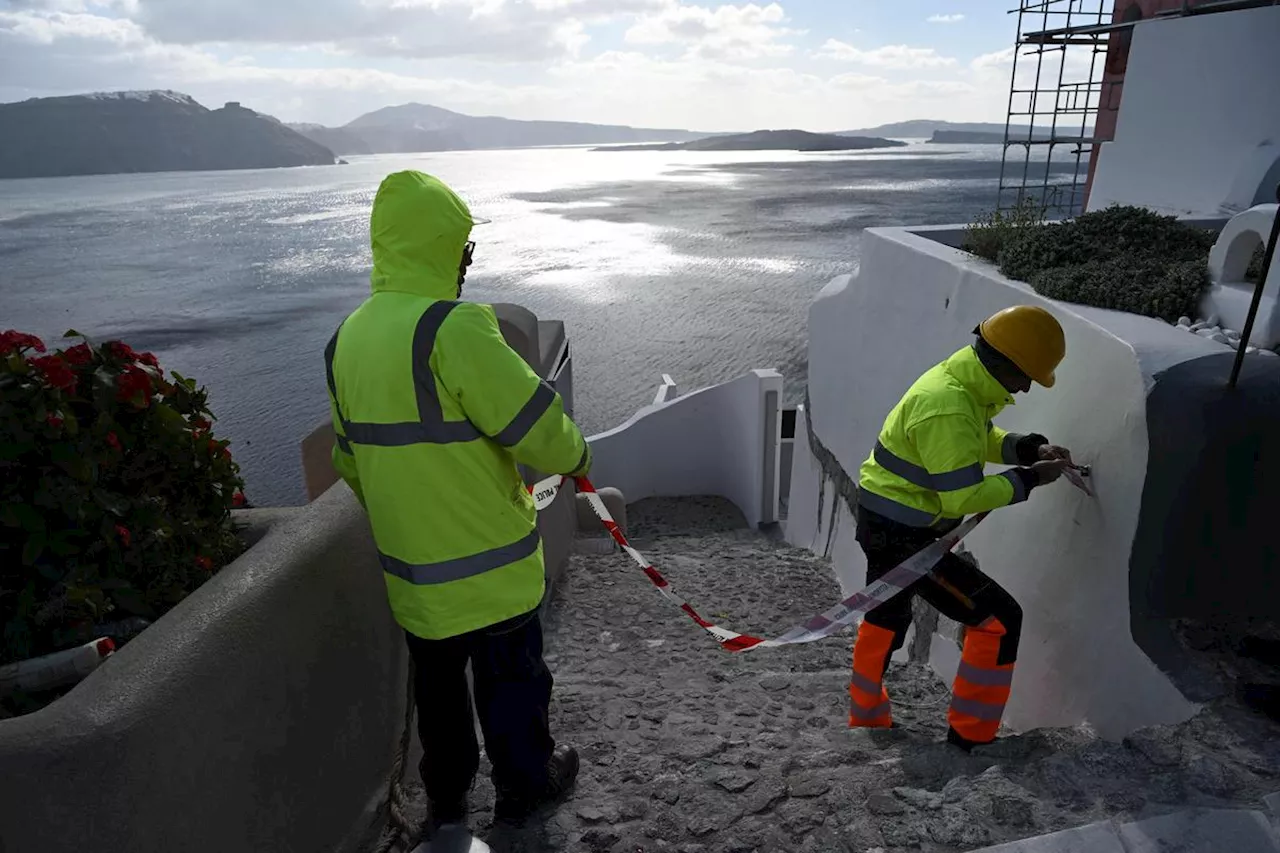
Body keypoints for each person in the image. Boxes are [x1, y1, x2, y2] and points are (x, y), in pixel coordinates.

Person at [324, 170, 592, 829]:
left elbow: (349, 464)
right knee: (514, 690)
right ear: (445, 248)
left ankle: (446, 800)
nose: (468, 265)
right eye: (464, 250)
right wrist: (579, 457)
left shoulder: (345, 342)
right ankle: (526, 786)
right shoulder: (455, 329)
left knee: (439, 701)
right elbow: (537, 425)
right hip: (494, 572)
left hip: (418, 581)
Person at [848, 305, 1072, 751]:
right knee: (999, 620)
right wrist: (1031, 478)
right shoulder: (948, 406)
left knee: (886, 615)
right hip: (902, 537)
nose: (1027, 387)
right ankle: (970, 739)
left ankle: (867, 716)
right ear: (1005, 363)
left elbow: (976, 439)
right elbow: (962, 498)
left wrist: (1027, 448)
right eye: (1027, 375)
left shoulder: (963, 385)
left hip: (890, 522)